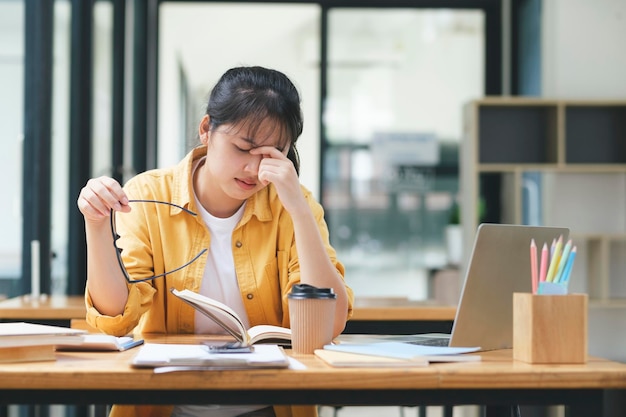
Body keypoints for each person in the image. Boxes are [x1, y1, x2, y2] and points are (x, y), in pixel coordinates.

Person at [77, 66, 354, 417]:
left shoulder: (293, 205)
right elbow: (115, 318)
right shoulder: (149, 195)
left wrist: (298, 210)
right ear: (207, 129)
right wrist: (96, 225)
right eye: (243, 148)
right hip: (166, 406)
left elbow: (327, 326)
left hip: (270, 406)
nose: (254, 170)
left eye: (271, 155)